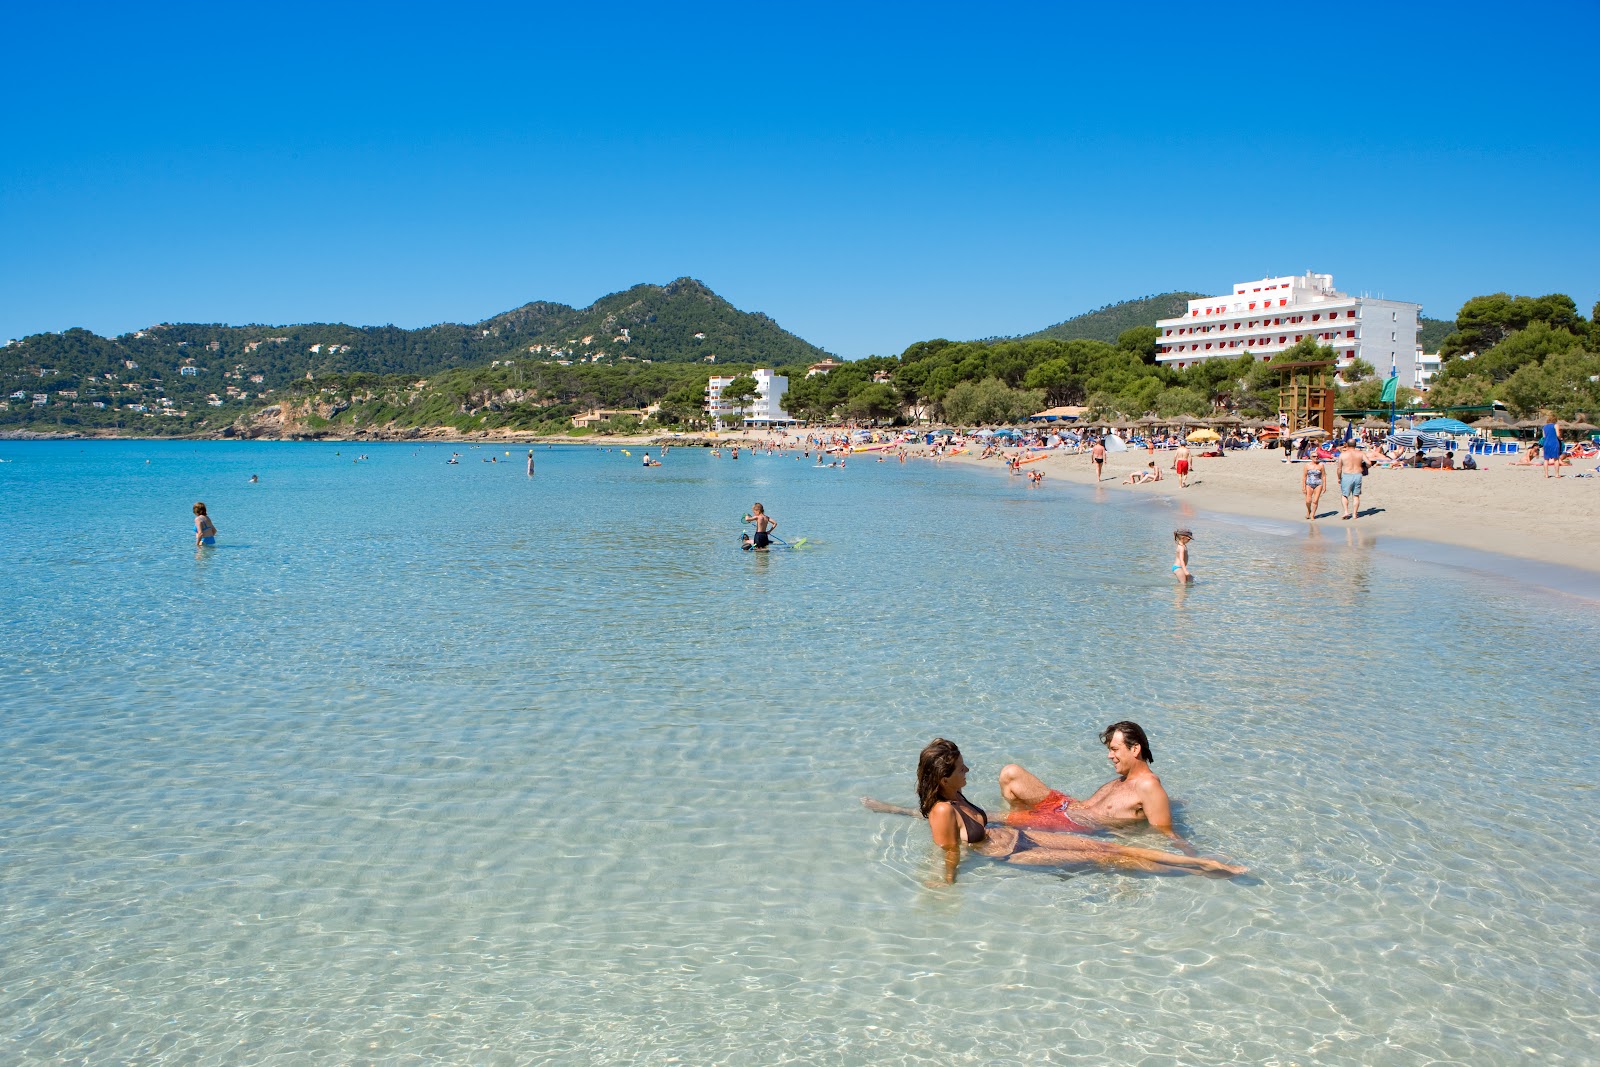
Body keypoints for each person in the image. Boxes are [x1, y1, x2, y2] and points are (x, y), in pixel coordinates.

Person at [902, 739, 1242, 883]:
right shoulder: (944, 810)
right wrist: (946, 884)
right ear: (944, 779)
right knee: (1102, 858)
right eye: (961, 769)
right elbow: (949, 854)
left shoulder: (955, 797)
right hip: (1010, 855)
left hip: (1018, 836)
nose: (968, 771)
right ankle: (1197, 872)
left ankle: (1203, 862)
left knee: (1111, 848)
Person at [997, 721, 1195, 852]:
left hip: (1072, 822)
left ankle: (1019, 822)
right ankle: (1025, 818)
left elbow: (1163, 831)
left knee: (991, 820)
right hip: (1065, 805)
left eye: (1115, 750)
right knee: (1011, 774)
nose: (1110, 756)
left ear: (1135, 749)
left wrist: (1191, 855)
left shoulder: (1148, 786)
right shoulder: (1125, 779)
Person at [1337, 441, 1364, 519]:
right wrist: (1364, 467)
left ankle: (1346, 511)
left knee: (1345, 495)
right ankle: (1355, 514)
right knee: (1356, 495)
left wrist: (1339, 477)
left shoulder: (1343, 454)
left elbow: (1339, 468)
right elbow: (1368, 463)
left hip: (1347, 475)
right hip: (1357, 475)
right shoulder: (1360, 453)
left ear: (1347, 445)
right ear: (1355, 445)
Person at [1301, 456, 1326, 520]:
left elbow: (1323, 476)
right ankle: (1309, 510)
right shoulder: (1307, 465)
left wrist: (1324, 486)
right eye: (1314, 456)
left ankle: (1313, 514)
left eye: (1317, 456)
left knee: (1315, 501)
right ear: (1311, 457)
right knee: (1308, 500)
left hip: (1318, 484)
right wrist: (1303, 487)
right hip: (1309, 484)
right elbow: (1304, 476)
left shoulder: (1321, 465)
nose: (1316, 458)